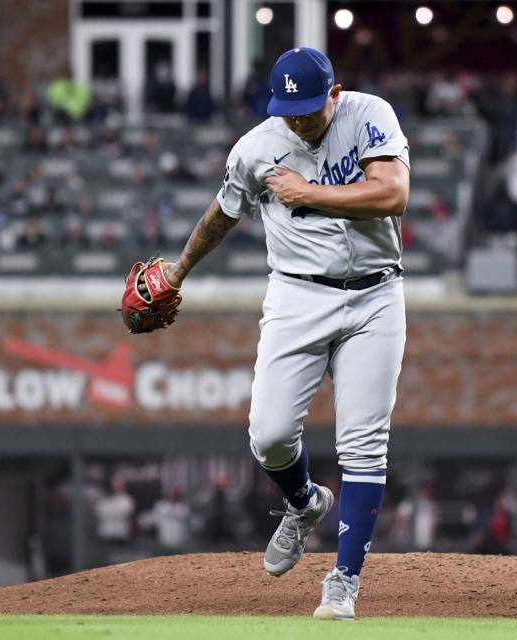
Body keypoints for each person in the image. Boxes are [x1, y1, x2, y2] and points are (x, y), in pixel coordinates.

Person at [139, 47, 410, 620]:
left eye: (310, 108)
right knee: (268, 435)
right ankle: (304, 502)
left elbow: (393, 194)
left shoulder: (369, 115)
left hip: (374, 294)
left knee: (363, 442)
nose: (300, 120)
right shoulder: (257, 147)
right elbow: (221, 215)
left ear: (335, 93)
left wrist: (308, 193)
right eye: (290, 110)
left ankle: (343, 581)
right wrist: (178, 270)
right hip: (296, 294)